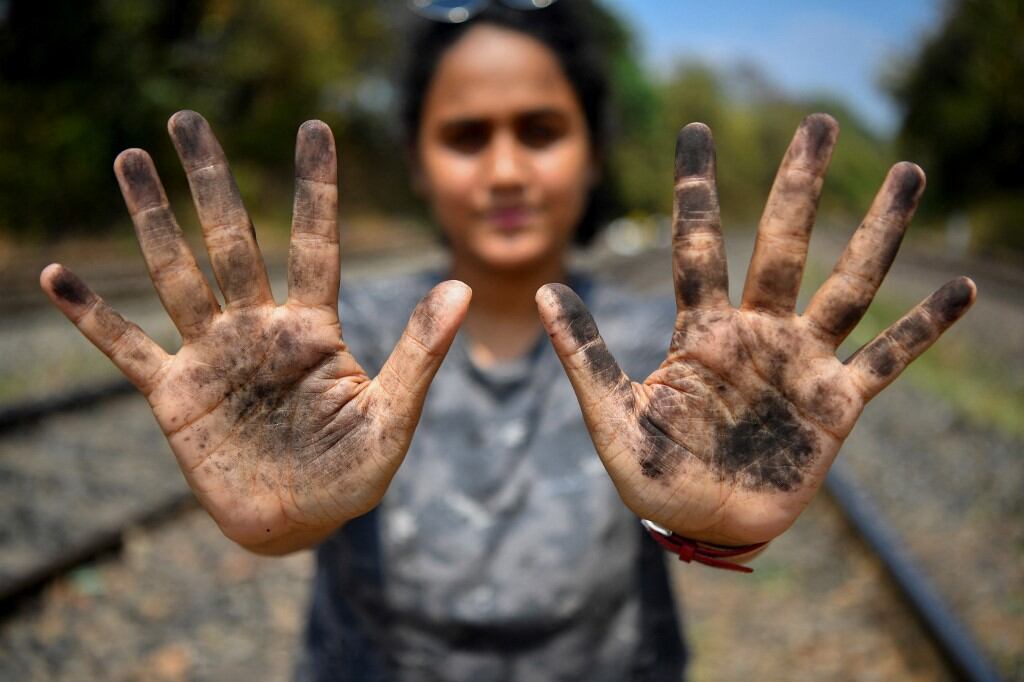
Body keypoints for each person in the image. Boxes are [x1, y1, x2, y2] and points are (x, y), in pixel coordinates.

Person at [38, 2, 976, 680]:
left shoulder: (672, 350)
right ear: (416, 156)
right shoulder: (330, 344)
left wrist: (703, 527)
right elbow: (298, 509)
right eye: (465, 135)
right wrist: (291, 516)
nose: (505, 170)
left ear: (592, 151)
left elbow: (683, 508)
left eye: (540, 129)